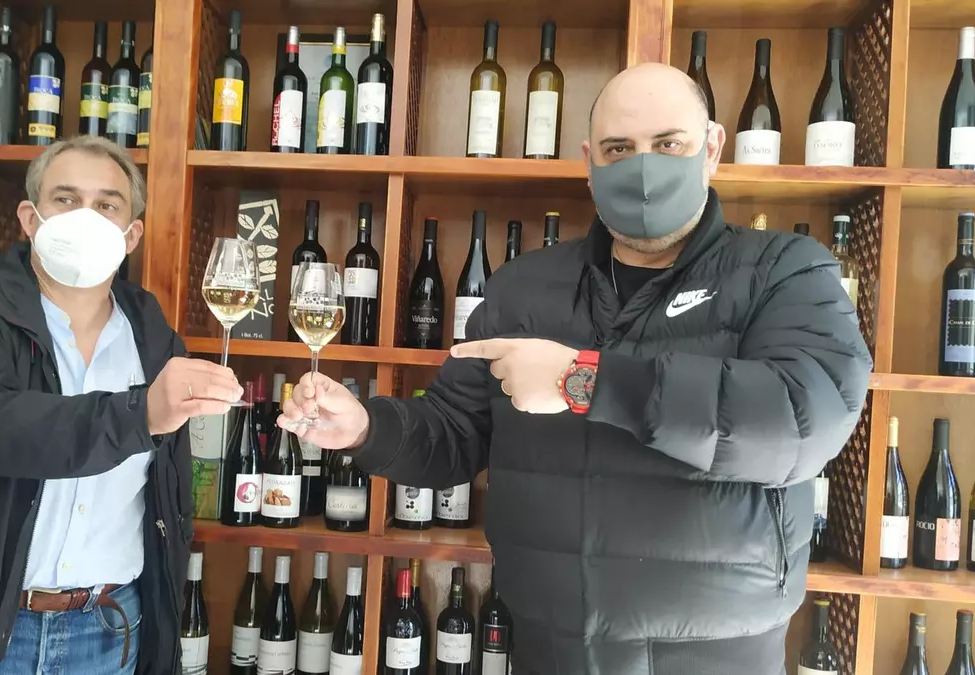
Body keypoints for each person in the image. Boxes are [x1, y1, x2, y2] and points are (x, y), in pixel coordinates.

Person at [279, 63, 873, 674]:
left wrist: (583, 379)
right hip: (548, 646)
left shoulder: (785, 270)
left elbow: (804, 420)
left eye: (669, 144)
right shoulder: (521, 289)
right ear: (590, 162)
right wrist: (365, 428)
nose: (644, 168)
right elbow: (453, 432)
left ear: (713, 148)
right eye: (620, 149)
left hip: (716, 652)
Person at [0, 135, 242, 675]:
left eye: (107, 205)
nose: (85, 217)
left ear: (131, 235)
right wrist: (138, 413)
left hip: (109, 631)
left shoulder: (152, 336)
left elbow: (166, 491)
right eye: (66, 199)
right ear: (31, 219)